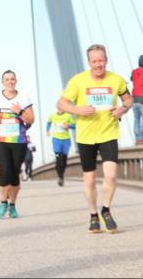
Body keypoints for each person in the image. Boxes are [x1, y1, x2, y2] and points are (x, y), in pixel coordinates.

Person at [57, 44, 133, 233]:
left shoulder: (116, 80)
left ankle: (106, 210)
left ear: (106, 60)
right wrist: (77, 110)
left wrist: (123, 109)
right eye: (94, 61)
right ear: (89, 62)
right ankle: (93, 215)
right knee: (90, 179)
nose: (98, 64)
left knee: (111, 175)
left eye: (101, 60)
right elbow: (61, 103)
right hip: (86, 136)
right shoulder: (78, 81)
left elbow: (128, 99)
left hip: (108, 132)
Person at [0, 70, 34, 219]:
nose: (10, 82)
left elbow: (31, 120)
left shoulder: (24, 98)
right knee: (5, 171)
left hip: (19, 141)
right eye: (7, 79)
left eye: (12, 79)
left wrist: (20, 111)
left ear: (16, 81)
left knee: (15, 174)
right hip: (1, 141)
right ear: (2, 82)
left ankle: (13, 205)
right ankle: (3, 202)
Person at [46, 109, 76, 186]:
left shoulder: (68, 116)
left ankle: (61, 176)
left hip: (66, 140)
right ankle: (60, 177)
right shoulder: (52, 116)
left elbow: (74, 126)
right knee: (58, 159)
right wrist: (47, 130)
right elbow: (48, 123)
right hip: (56, 140)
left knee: (64, 161)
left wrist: (68, 125)